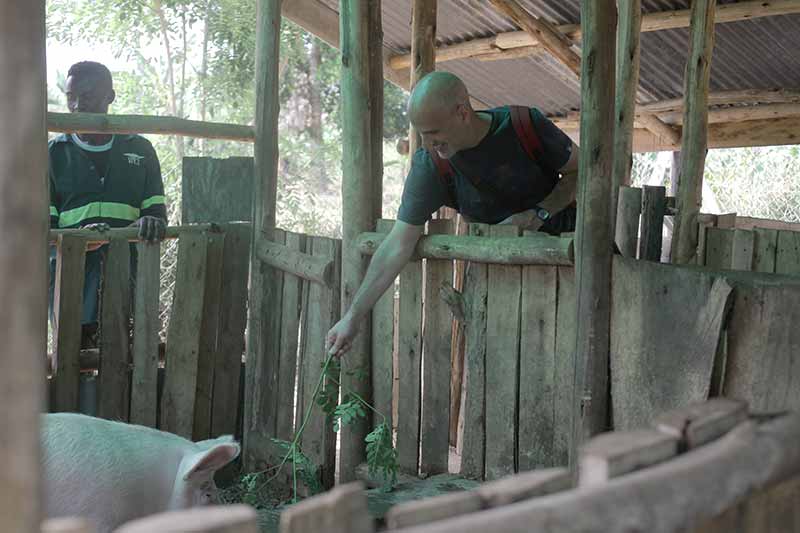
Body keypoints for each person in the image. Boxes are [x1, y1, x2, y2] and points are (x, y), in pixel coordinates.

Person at [326, 71, 580, 358]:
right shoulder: (431, 166)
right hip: (501, 294)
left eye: (433, 132)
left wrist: (539, 213)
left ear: (461, 112)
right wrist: (353, 316)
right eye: (422, 134)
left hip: (575, 271)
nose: (427, 142)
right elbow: (398, 243)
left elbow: (581, 170)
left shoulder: (524, 126)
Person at [48, 61, 167, 348]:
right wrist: (79, 239)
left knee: (128, 365)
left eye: (86, 96)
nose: (76, 106)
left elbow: (156, 216)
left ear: (109, 97)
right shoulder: (53, 153)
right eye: (70, 97)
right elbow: (44, 232)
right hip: (72, 289)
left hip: (129, 285)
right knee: (76, 365)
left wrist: (150, 223)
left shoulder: (140, 149)